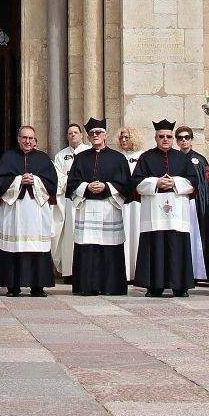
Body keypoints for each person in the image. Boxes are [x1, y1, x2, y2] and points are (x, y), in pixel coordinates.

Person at [131, 119, 202, 297]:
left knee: (177, 245)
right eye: (161, 136)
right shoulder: (146, 157)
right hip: (154, 211)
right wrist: (156, 182)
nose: (165, 139)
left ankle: (180, 286)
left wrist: (175, 181)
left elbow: (194, 181)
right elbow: (136, 182)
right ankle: (154, 286)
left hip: (177, 210)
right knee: (154, 245)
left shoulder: (182, 158)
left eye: (168, 136)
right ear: (156, 138)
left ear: (172, 138)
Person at [64, 117, 132, 296]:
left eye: (99, 133)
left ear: (105, 135)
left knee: (109, 248)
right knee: (88, 248)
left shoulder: (118, 158)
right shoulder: (80, 158)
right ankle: (87, 286)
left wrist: (107, 186)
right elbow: (71, 183)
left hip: (109, 207)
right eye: (92, 133)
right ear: (88, 136)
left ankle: (111, 287)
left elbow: (126, 184)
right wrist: (86, 186)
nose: (95, 135)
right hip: (87, 208)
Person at [0, 124, 56, 297]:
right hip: (14, 210)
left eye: (31, 138)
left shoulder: (44, 159)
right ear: (18, 139)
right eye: (24, 138)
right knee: (14, 247)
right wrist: (19, 180)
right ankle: (13, 287)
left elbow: (52, 184)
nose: (28, 141)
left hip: (36, 210)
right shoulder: (8, 157)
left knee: (37, 247)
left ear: (35, 141)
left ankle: (38, 286)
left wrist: (35, 180)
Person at [175, 124, 209, 279]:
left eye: (186, 137)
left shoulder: (199, 160)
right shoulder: (174, 158)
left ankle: (199, 271)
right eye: (180, 138)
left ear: (191, 140)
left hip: (195, 203)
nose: (184, 141)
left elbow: (204, 184)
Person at [51, 123, 88, 278]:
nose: (73, 135)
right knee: (68, 234)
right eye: (70, 133)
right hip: (67, 200)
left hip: (86, 199)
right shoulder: (61, 155)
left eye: (75, 132)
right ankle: (69, 272)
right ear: (67, 136)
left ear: (81, 135)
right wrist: (72, 182)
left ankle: (85, 272)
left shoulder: (88, 152)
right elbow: (57, 176)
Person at [117, 126, 144, 279]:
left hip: (138, 202)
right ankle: (125, 271)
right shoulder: (118, 156)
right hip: (122, 201)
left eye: (127, 137)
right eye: (121, 138)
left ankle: (136, 271)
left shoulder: (142, 156)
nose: (124, 140)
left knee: (136, 232)